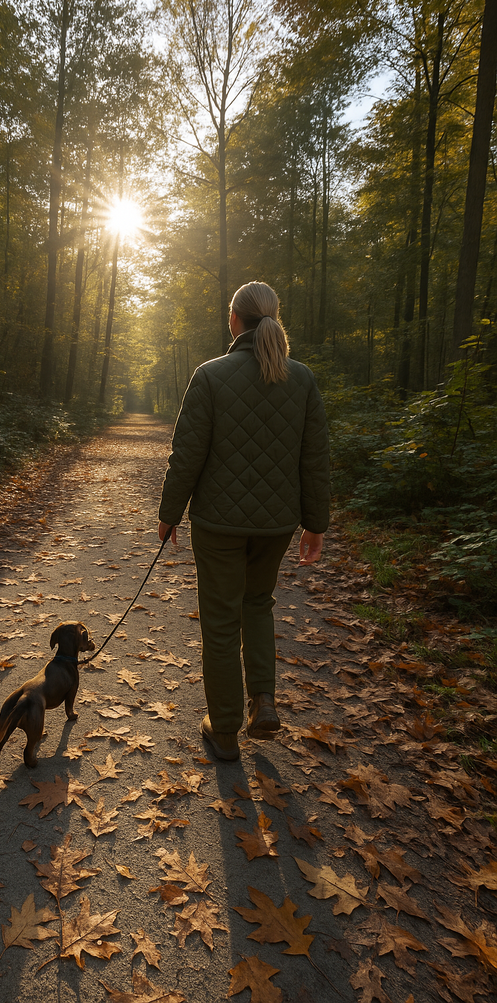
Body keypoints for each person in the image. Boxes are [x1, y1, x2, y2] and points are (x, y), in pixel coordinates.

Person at [157, 281, 329, 762]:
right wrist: (315, 524)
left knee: (219, 620)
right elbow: (314, 459)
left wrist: (169, 515)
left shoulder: (210, 376)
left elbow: (187, 454)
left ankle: (227, 728)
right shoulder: (303, 379)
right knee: (258, 605)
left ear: (234, 320)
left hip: (218, 524)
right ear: (273, 319)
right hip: (276, 525)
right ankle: (264, 702)